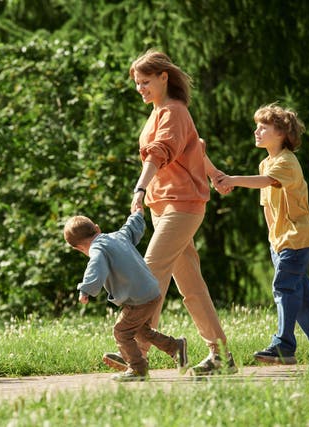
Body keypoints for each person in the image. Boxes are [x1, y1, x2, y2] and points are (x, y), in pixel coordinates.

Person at [103, 49, 237, 376]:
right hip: (163, 206)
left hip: (182, 205)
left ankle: (137, 350)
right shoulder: (158, 112)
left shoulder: (173, 111)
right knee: (192, 287)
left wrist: (139, 189)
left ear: (164, 77)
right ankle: (221, 356)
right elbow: (194, 146)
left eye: (145, 82)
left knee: (148, 271)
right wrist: (215, 174)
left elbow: (160, 152)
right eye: (137, 83)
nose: (140, 89)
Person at [218, 103, 309, 368]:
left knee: (284, 288)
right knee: (301, 298)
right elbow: (267, 206)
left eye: (263, 127)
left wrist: (231, 179)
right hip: (280, 241)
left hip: (298, 236)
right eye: (257, 126)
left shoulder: (286, 162)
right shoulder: (265, 163)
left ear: (281, 133)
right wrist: (272, 241)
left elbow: (266, 182)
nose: (256, 131)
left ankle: (284, 346)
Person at [64, 208, 188, 382]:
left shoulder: (97, 249)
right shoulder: (118, 236)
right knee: (141, 332)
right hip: (152, 292)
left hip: (138, 300)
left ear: (78, 248)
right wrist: (137, 214)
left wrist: (86, 289)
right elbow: (131, 227)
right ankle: (175, 347)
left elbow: (95, 266)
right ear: (97, 228)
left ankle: (137, 368)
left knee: (121, 332)